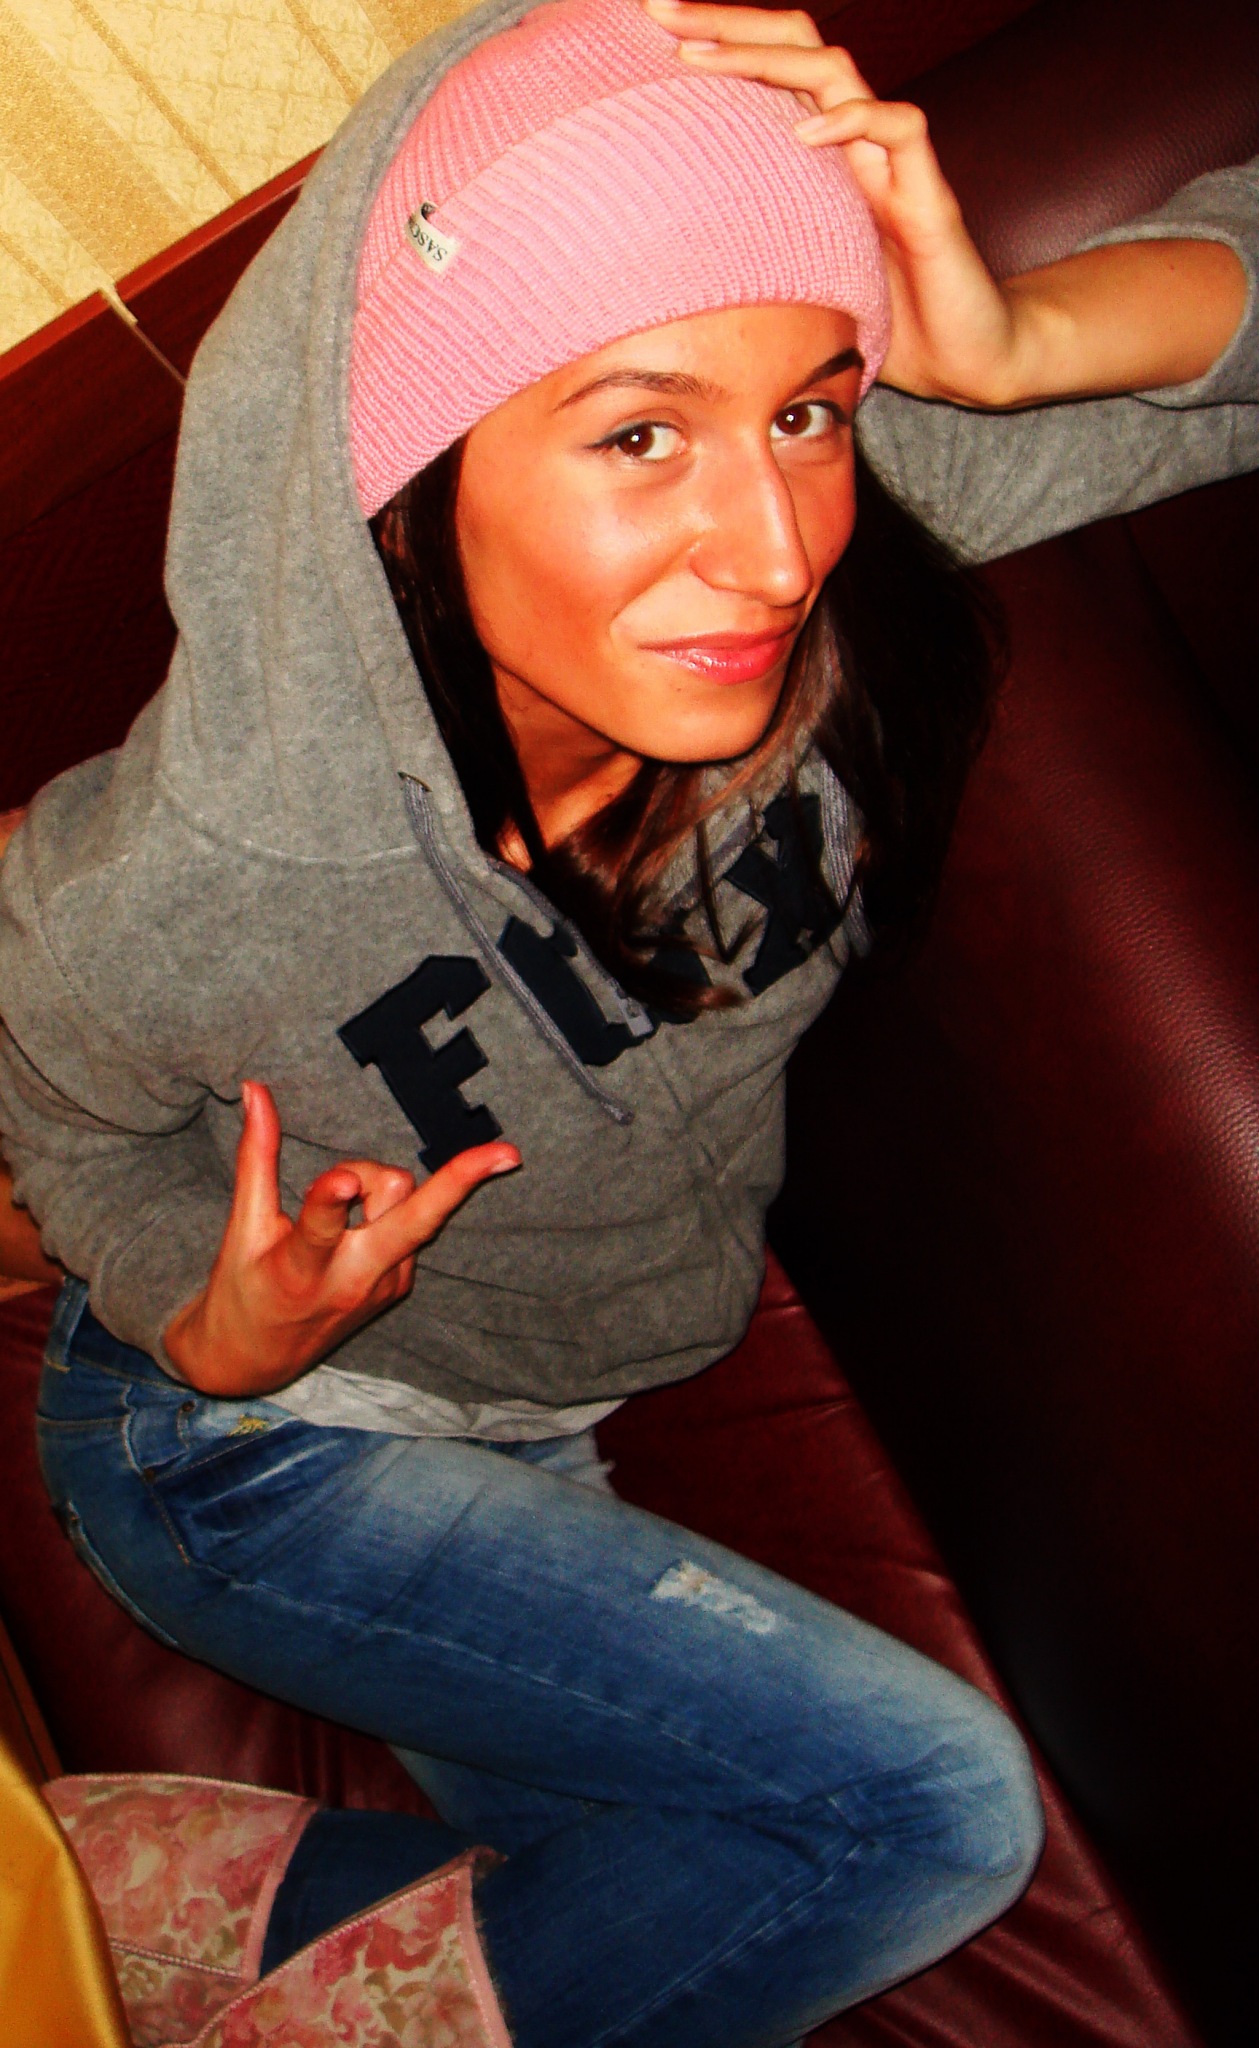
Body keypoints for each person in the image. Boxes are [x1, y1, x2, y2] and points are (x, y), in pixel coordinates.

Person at [0, 0, 1256, 2039]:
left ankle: (229, 1900)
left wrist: (1013, 342)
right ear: (406, 475)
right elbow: (61, 1125)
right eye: (640, 433)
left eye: (809, 412)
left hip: (553, 1419)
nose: (770, 549)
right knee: (929, 1819)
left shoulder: (847, 574)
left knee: (715, 1908)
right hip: (245, 1455)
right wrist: (207, 1320)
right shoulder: (182, 879)